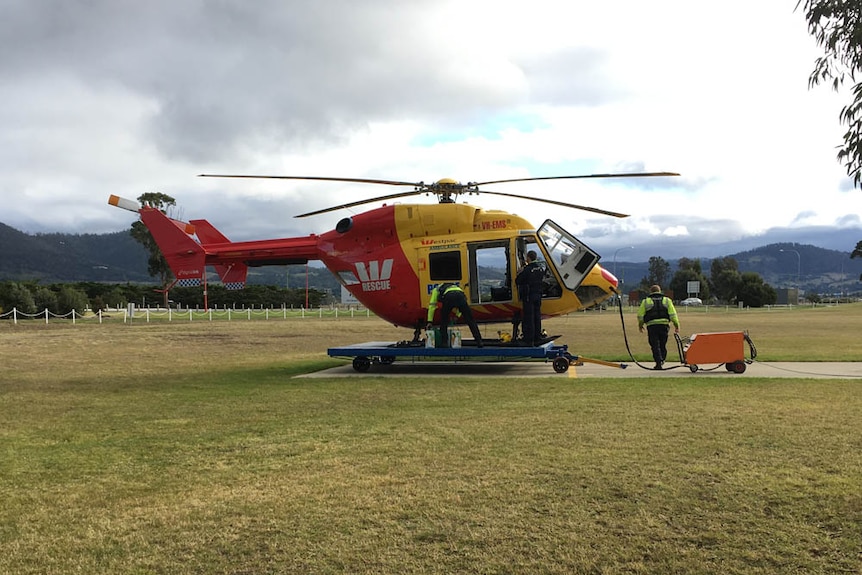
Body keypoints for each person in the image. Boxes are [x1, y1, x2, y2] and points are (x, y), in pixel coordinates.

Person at [426, 282, 483, 347]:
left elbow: (432, 306)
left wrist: (429, 321)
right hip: (461, 296)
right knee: (471, 320)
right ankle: (479, 341)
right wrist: (457, 315)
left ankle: (444, 343)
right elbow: (460, 305)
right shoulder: (455, 287)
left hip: (449, 297)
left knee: (444, 321)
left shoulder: (435, 290)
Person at [637, 285, 680, 370]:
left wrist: (640, 325)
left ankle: (658, 362)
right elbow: (673, 315)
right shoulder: (667, 300)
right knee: (662, 344)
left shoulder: (646, 301)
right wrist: (676, 325)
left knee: (654, 345)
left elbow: (640, 316)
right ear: (660, 291)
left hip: (652, 326)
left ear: (651, 292)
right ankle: (662, 359)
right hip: (664, 326)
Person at [515, 250, 545, 346]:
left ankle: (529, 339)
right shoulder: (540, 269)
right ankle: (537, 337)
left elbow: (518, 281)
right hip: (538, 295)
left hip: (529, 296)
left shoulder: (527, 269)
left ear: (528, 258)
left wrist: (519, 272)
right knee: (537, 317)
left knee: (529, 318)